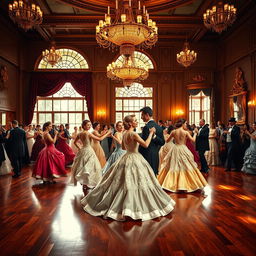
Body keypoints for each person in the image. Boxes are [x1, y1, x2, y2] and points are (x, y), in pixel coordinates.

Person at [81, 115, 175, 221]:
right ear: (130, 124)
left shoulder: (125, 133)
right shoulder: (133, 133)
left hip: (126, 157)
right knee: (138, 181)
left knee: (122, 181)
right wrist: (151, 133)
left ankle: (121, 205)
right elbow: (146, 144)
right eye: (135, 121)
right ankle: (133, 206)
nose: (137, 122)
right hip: (135, 157)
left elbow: (123, 147)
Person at [158, 119, 208, 192]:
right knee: (186, 165)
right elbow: (193, 140)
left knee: (173, 166)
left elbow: (167, 141)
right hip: (183, 148)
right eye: (185, 123)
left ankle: (170, 184)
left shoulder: (173, 132)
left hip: (175, 148)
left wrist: (166, 134)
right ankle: (185, 185)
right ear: (182, 124)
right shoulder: (185, 132)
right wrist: (195, 133)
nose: (186, 125)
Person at [70, 120, 111, 190]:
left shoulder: (80, 133)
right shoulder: (87, 133)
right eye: (88, 125)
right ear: (84, 126)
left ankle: (85, 184)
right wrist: (108, 133)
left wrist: (79, 147)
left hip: (83, 150)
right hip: (88, 150)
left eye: (90, 125)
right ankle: (87, 183)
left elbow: (75, 142)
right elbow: (100, 139)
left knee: (84, 166)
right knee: (91, 167)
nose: (89, 126)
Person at [139, 106, 165, 175]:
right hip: (155, 154)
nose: (141, 117)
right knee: (153, 174)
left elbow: (144, 144)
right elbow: (162, 142)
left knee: (146, 175)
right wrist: (155, 137)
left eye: (142, 115)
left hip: (146, 155)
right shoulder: (159, 127)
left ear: (147, 115)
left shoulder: (146, 127)